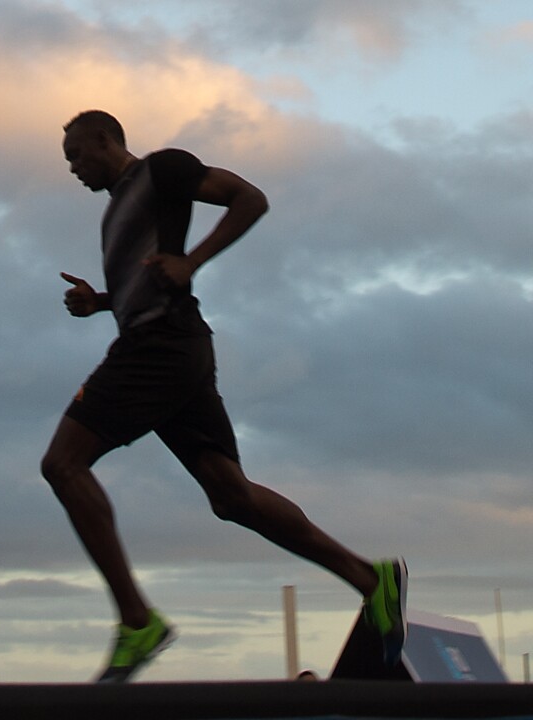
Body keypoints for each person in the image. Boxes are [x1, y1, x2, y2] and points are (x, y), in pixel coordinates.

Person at [41, 109, 406, 683]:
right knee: (230, 497)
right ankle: (370, 579)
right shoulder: (117, 214)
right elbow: (152, 278)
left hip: (159, 348)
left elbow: (250, 198)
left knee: (63, 464)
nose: (73, 169)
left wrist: (193, 259)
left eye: (77, 156)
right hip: (176, 350)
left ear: (107, 141)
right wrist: (103, 302)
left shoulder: (162, 170)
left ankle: (137, 622)